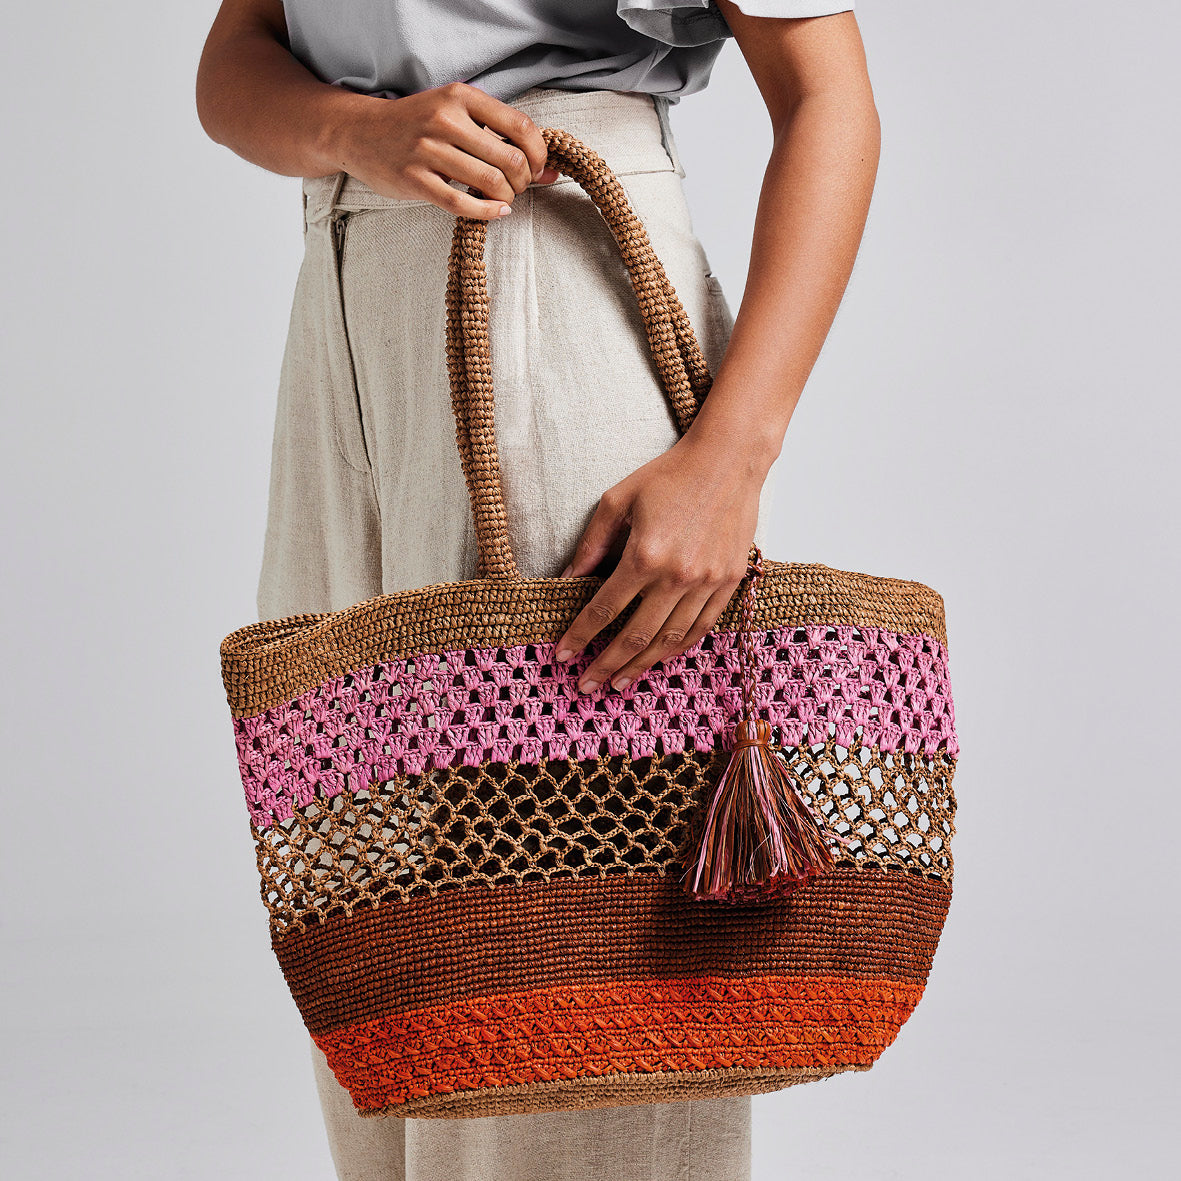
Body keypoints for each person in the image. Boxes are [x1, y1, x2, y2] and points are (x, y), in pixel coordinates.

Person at [196, 2, 879, 1178]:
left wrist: (731, 457)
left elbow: (828, 95)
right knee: (380, 948)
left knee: (579, 978)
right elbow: (235, 57)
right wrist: (354, 132)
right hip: (345, 309)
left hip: (555, 276)